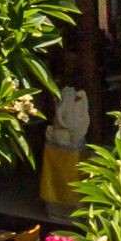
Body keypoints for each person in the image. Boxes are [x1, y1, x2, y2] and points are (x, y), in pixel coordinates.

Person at [39, 66, 91, 210]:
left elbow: (79, 119)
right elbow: (61, 116)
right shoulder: (68, 96)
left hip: (72, 136)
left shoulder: (77, 98)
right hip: (63, 137)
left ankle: (71, 205)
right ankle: (61, 205)